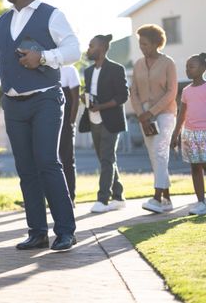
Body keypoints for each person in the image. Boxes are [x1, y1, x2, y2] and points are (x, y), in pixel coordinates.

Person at [0, 0, 79, 252]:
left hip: (45, 98)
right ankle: (37, 232)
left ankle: (65, 232)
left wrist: (45, 58)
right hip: (12, 103)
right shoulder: (1, 22)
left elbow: (74, 50)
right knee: (25, 168)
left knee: (48, 162)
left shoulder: (51, 14)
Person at [170, 53, 206, 215]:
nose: (188, 70)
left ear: (203, 68)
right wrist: (176, 134)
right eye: (187, 67)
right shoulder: (186, 91)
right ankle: (201, 204)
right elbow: (181, 114)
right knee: (195, 167)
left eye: (192, 66)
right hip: (189, 134)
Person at [129, 24, 178, 214]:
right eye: (140, 44)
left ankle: (157, 198)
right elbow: (133, 92)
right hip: (144, 116)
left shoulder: (168, 63)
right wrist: (141, 113)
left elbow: (172, 92)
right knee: (155, 156)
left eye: (146, 44)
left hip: (165, 114)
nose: (142, 47)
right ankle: (167, 199)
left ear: (157, 43)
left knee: (160, 152)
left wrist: (152, 112)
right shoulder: (138, 64)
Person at [78, 34, 129, 214]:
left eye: (91, 46)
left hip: (110, 120)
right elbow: (89, 91)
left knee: (107, 158)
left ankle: (102, 199)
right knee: (105, 159)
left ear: (101, 48)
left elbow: (123, 96)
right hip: (93, 121)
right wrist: (84, 98)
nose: (88, 49)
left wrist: (101, 106)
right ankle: (118, 196)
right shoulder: (89, 71)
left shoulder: (116, 69)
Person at [59, 64, 80, 204]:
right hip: (48, 121)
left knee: (67, 160)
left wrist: (71, 122)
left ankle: (70, 197)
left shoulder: (69, 69)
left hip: (65, 123)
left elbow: (75, 99)